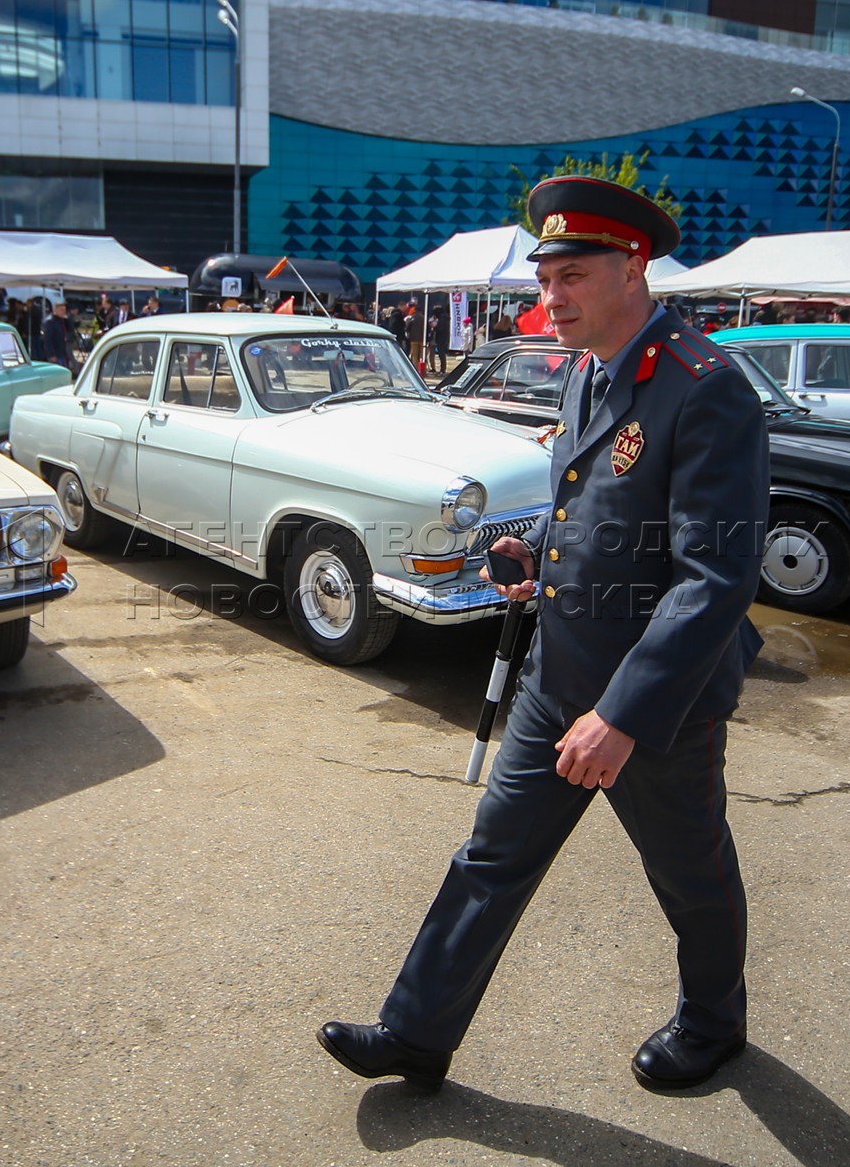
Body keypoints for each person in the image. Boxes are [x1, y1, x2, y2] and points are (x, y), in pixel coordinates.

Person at [318, 175, 768, 1092]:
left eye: (569, 276)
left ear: (632, 267)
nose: (548, 298)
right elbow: (596, 506)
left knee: (690, 874)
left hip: (653, 706)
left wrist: (625, 716)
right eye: (544, 277)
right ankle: (417, 1031)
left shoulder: (705, 388)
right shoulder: (592, 371)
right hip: (557, 674)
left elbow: (715, 576)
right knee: (490, 858)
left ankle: (716, 1024)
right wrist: (540, 551)